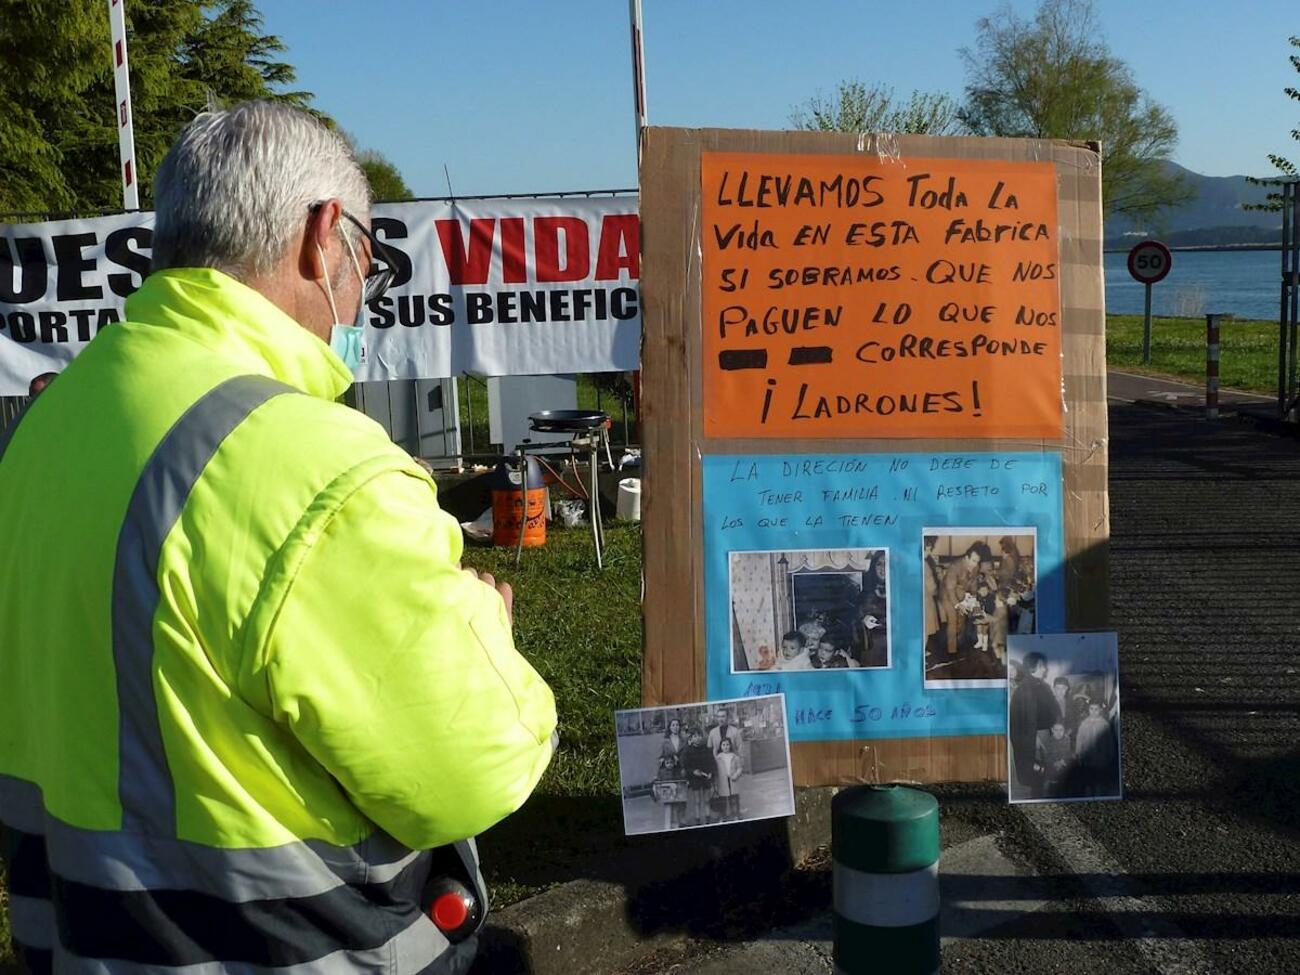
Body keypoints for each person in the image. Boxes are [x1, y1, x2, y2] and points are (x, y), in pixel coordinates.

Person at [0, 102, 557, 974]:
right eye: (368, 256)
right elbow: (473, 768)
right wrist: (487, 629)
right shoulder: (319, 464)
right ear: (323, 234)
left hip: (70, 940)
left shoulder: (48, 427)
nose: (364, 287)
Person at [1008, 652, 1061, 797]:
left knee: (1046, 767)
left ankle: (1043, 794)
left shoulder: (1042, 686)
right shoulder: (1024, 690)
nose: (1045, 669)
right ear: (1032, 668)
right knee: (1037, 769)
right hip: (1033, 736)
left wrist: (1056, 726)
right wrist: (1034, 737)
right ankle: (1037, 797)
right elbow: (1017, 721)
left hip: (1046, 732)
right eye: (1041, 666)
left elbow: (1054, 709)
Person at [941, 541, 991, 656]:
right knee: (953, 621)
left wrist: (972, 597)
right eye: (973, 561)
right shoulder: (955, 567)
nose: (975, 564)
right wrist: (957, 605)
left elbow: (973, 584)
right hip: (949, 595)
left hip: (963, 594)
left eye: (977, 561)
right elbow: (950, 589)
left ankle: (959, 641)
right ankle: (952, 651)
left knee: (962, 620)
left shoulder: (975, 566)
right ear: (966, 557)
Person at [1074, 700, 1118, 796]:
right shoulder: (1084, 724)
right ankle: (1088, 797)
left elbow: (1109, 741)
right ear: (1088, 709)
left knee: (1099, 781)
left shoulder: (1104, 724)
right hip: (1087, 757)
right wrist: (1078, 753)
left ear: (1100, 710)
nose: (1093, 711)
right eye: (1091, 709)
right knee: (1088, 781)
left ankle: (1099, 796)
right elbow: (1079, 739)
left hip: (1100, 757)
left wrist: (1110, 754)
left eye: (1096, 709)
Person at [680, 728, 715, 826]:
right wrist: (693, 772)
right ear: (691, 738)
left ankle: (708, 818)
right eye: (695, 736)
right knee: (697, 801)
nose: (698, 738)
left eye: (699, 735)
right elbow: (685, 766)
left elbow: (711, 762)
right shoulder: (687, 750)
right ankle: (698, 819)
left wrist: (711, 773)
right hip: (695, 778)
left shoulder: (706, 749)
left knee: (707, 800)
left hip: (706, 777)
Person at [922, 536, 946, 657]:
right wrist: (937, 590)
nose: (930, 552)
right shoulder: (925, 565)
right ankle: (921, 653)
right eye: (928, 549)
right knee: (925, 631)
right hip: (925, 602)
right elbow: (932, 587)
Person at [714, 737, 743, 822]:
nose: (725, 746)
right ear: (721, 746)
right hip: (722, 781)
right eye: (723, 745)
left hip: (733, 780)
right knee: (722, 799)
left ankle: (736, 814)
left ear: (730, 745)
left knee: (734, 798)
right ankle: (723, 816)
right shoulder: (718, 758)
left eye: (727, 744)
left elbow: (739, 768)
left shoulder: (735, 756)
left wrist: (736, 775)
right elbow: (715, 770)